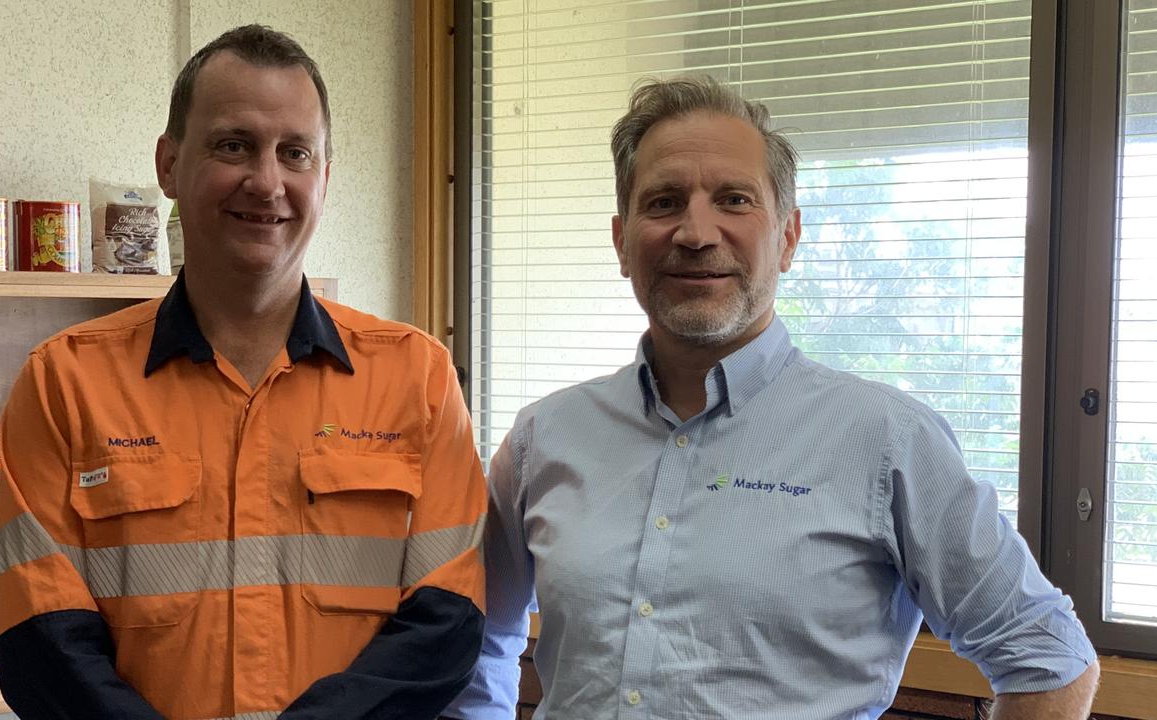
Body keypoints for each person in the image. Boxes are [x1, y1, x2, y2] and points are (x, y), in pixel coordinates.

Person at [443, 76, 1099, 719]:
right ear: (621, 241)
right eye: (664, 201)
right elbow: (477, 642)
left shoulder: (887, 441)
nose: (695, 233)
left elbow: (1049, 658)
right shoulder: (544, 437)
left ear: (787, 237)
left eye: (733, 200)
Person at [0, 25, 486, 720]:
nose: (266, 181)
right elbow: (40, 640)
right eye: (233, 145)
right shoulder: (63, 382)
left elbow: (446, 620)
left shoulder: (418, 377)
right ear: (168, 164)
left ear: (323, 176)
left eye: (294, 153)